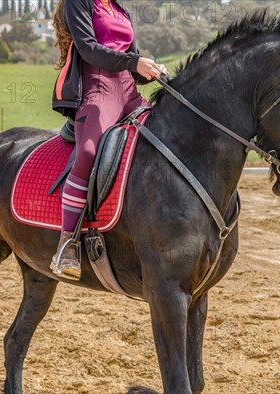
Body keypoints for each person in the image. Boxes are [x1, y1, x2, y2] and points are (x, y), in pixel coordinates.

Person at [50, 0, 167, 280]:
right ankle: (67, 243)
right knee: (88, 152)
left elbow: (132, 62)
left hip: (129, 93)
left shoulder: (119, 9)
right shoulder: (79, 4)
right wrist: (132, 61)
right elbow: (89, 49)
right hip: (98, 88)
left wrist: (149, 70)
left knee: (163, 140)